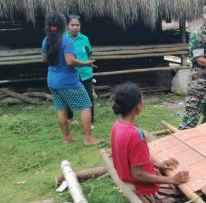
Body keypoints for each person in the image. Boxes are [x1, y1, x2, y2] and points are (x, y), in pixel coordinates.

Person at [111, 82, 189, 202]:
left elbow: (129, 159)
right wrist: (172, 180)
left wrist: (157, 165)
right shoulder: (135, 135)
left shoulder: (117, 125)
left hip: (127, 177)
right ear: (137, 106)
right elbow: (138, 175)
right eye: (142, 100)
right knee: (184, 191)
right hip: (143, 189)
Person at [41, 11, 101, 146]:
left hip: (52, 81)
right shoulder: (66, 40)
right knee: (86, 105)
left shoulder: (46, 40)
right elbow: (70, 61)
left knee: (61, 108)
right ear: (64, 25)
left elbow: (44, 59)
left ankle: (67, 138)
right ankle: (88, 139)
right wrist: (85, 63)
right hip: (68, 82)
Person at [65, 15, 95, 128]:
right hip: (70, 73)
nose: (75, 27)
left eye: (77, 25)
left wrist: (89, 63)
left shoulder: (84, 39)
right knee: (68, 96)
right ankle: (70, 117)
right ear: (67, 26)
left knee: (88, 96)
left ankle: (90, 121)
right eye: (72, 25)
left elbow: (89, 53)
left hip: (85, 73)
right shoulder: (64, 39)